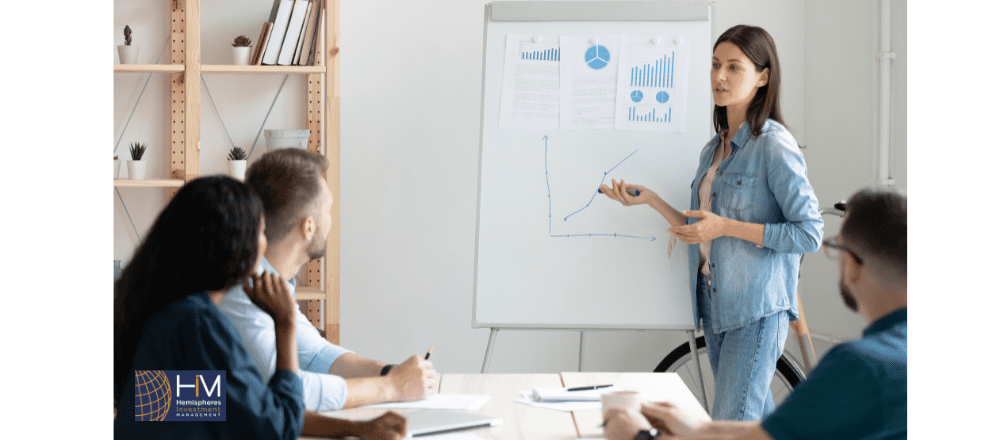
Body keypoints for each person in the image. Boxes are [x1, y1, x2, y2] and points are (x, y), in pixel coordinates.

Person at [600, 24, 823, 420]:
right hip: (715, 306)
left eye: (734, 67)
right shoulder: (713, 148)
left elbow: (809, 233)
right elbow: (701, 228)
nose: (719, 76)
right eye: (715, 65)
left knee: (730, 423)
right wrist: (651, 201)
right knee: (752, 423)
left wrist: (725, 227)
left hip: (756, 309)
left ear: (763, 77)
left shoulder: (773, 144)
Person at [113, 176, 407, 439]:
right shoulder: (199, 323)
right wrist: (285, 322)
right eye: (262, 232)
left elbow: (252, 409)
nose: (265, 244)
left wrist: (356, 428)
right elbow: (272, 428)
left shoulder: (170, 316)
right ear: (236, 244)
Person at [604, 189, 907, 440]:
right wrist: (701, 429)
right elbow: (777, 432)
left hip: (754, 311)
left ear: (850, 265)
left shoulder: (861, 365)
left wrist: (637, 437)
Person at [218, 148, 439, 412]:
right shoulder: (240, 290)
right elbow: (284, 391)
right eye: (329, 209)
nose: (332, 220)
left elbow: (314, 355)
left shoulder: (270, 281)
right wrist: (392, 387)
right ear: (308, 226)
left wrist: (390, 373)